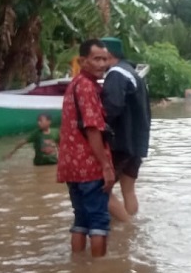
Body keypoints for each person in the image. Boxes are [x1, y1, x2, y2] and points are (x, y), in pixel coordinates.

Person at [57, 39, 115, 258]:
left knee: (80, 219)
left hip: (71, 166)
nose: (102, 64)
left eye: (105, 59)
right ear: (83, 61)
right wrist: (106, 166)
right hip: (89, 166)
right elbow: (92, 129)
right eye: (97, 59)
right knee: (99, 222)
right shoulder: (87, 87)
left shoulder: (74, 84)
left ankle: (79, 268)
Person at [100, 37, 151, 221]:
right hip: (137, 143)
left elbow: (111, 108)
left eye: (100, 56)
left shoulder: (116, 74)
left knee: (99, 189)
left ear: (108, 55)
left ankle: (128, 227)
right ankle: (130, 235)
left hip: (120, 143)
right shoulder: (133, 73)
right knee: (128, 190)